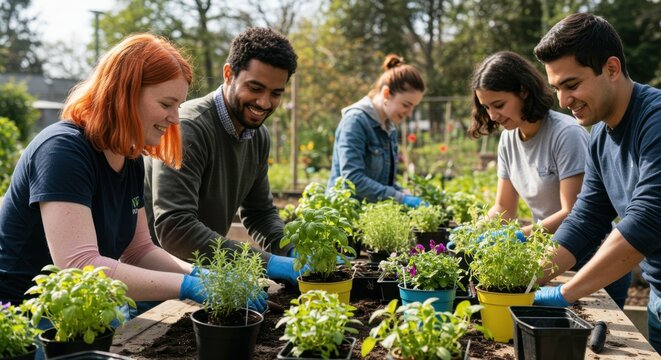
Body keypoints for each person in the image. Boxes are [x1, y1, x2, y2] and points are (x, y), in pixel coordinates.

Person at [0, 34, 267, 318]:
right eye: (166, 104)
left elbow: (139, 250)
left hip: (77, 315)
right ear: (124, 95)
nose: (176, 118)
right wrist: (188, 286)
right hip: (21, 318)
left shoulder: (129, 157)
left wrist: (202, 274)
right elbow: (78, 265)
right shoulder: (62, 151)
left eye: (178, 105)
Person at [531, 13, 661, 352]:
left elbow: (646, 221)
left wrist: (565, 293)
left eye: (572, 85)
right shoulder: (601, 136)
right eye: (557, 88)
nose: (562, 101)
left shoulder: (655, 122)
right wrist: (526, 277)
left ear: (612, 69)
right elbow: (586, 219)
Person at [468, 51, 631, 309]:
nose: (492, 116)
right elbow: (503, 209)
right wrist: (473, 235)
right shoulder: (509, 139)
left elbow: (574, 213)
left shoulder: (566, 134)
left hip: (590, 260)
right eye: (486, 107)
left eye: (498, 105)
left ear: (523, 91)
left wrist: (518, 237)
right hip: (549, 256)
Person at [144, 27, 302, 286]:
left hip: (207, 277)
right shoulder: (188, 128)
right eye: (255, 88)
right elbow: (175, 228)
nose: (264, 102)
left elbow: (259, 213)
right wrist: (267, 263)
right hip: (161, 279)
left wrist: (290, 249)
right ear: (229, 74)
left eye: (276, 93)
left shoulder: (258, 136)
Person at [327, 54, 425, 206]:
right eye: (406, 105)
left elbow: (383, 182)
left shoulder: (389, 128)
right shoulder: (355, 121)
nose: (410, 113)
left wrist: (403, 192)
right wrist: (401, 198)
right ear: (386, 93)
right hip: (345, 214)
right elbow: (352, 179)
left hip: (371, 215)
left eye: (414, 107)